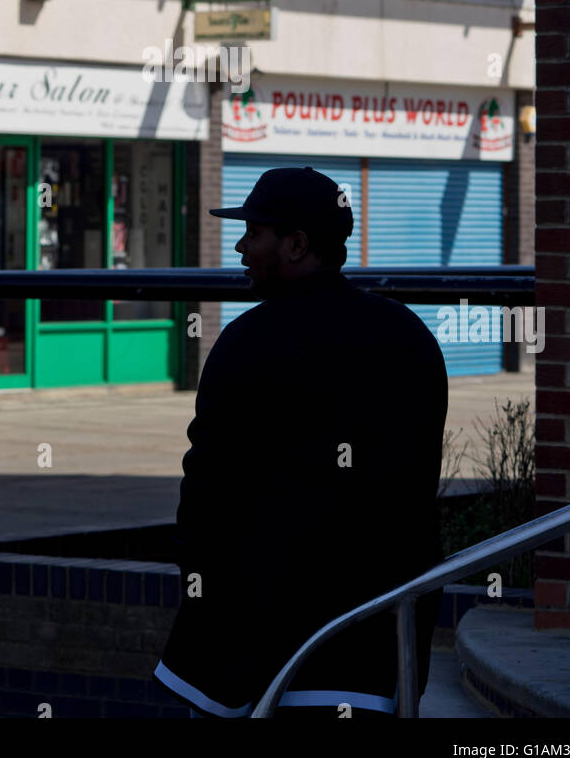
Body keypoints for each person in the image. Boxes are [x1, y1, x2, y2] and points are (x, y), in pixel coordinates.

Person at [153, 165, 448, 720]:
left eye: (253, 232)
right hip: (374, 644)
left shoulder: (247, 342)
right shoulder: (408, 337)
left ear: (296, 244)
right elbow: (414, 494)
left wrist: (199, 586)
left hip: (250, 652)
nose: (240, 247)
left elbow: (207, 495)